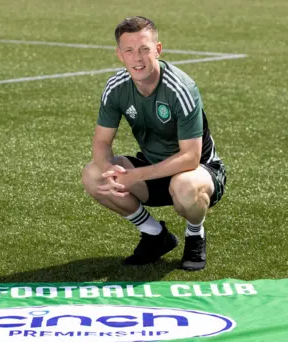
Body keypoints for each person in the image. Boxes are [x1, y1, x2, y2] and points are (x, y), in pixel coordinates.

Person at [81, 16, 227, 271]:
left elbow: (190, 157)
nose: (137, 58)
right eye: (129, 50)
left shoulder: (180, 88)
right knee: (94, 175)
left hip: (198, 172)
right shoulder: (116, 87)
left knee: (184, 185)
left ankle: (195, 234)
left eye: (144, 49)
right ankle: (155, 235)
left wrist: (136, 175)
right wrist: (109, 171)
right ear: (120, 55)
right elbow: (102, 141)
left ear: (157, 50)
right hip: (154, 170)